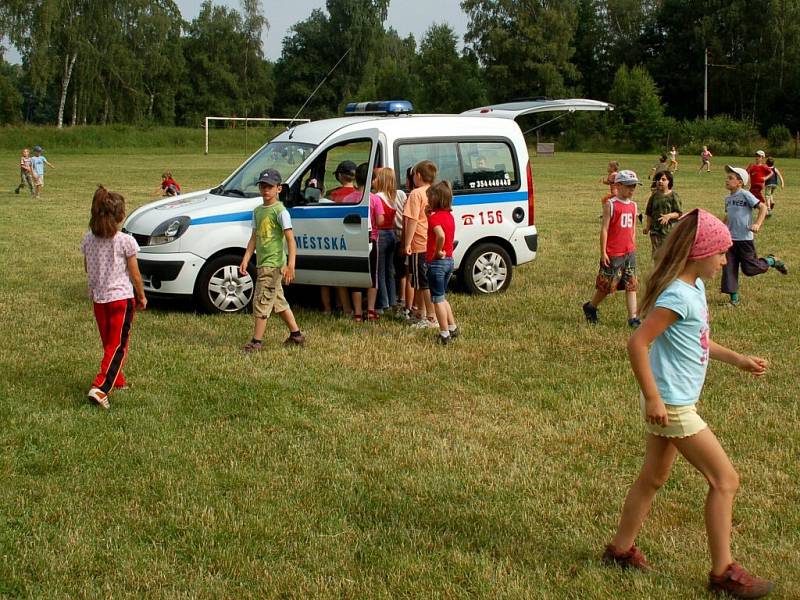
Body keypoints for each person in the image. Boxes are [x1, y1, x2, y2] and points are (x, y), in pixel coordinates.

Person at [603, 209, 775, 599]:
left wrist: (739, 359)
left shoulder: (693, 289)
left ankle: (620, 550)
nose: (724, 261)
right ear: (700, 254)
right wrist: (653, 397)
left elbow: (698, 341)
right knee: (725, 480)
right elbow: (638, 343)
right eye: (720, 254)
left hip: (673, 404)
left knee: (653, 478)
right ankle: (723, 573)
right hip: (674, 407)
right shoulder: (678, 294)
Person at [80, 186, 147, 409]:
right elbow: (135, 274)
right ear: (119, 216)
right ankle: (101, 387)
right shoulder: (125, 241)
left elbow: (87, 267)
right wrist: (141, 296)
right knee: (118, 345)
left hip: (99, 299)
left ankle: (117, 379)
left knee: (109, 343)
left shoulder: (88, 239)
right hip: (121, 299)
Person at [239, 168, 305, 350]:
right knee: (277, 301)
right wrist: (246, 258)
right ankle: (296, 335)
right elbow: (254, 237)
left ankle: (256, 342)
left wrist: (290, 265)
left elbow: (291, 240)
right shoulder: (258, 211)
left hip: (273, 264)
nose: (266, 190)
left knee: (261, 300)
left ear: (279, 189)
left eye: (270, 187)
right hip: (262, 262)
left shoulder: (280, 211)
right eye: (263, 186)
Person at [720, 165, 787, 307]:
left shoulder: (745, 194)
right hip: (730, 240)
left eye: (730, 178)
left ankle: (771, 260)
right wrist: (721, 227)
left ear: (740, 182)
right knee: (729, 268)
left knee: (750, 269)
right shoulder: (727, 198)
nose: (727, 180)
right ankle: (734, 300)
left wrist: (757, 224)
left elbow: (762, 207)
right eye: (727, 177)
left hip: (745, 239)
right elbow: (729, 215)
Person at [582, 170, 641, 328]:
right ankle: (591, 306)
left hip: (629, 252)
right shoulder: (611, 205)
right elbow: (605, 229)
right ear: (618, 185)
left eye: (634, 187)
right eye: (629, 186)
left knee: (631, 284)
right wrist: (603, 252)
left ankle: (633, 318)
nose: (632, 190)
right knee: (606, 286)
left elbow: (633, 229)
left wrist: (632, 246)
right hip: (614, 253)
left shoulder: (634, 206)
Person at [343, 162, 384, 321]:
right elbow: (379, 221)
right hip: (371, 240)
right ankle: (371, 310)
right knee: (372, 276)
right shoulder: (374, 199)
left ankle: (358, 312)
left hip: (353, 241)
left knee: (356, 276)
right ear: (371, 181)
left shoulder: (348, 198)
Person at [403, 160, 438, 328]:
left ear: (418, 176)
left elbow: (412, 220)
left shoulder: (416, 194)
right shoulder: (435, 192)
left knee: (422, 282)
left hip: (419, 242)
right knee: (419, 281)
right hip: (430, 241)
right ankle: (420, 312)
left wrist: (407, 243)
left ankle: (430, 317)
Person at [425, 181, 460, 345]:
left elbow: (440, 235)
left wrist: (437, 251)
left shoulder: (434, 219)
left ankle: (444, 333)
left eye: (429, 198)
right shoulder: (449, 216)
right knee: (442, 296)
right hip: (449, 261)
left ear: (435, 200)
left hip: (437, 263)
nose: (427, 201)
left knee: (437, 300)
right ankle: (452, 327)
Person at [372, 167, 404, 314]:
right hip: (391, 234)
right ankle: (392, 300)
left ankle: (382, 303)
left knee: (379, 271)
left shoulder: (377, 197)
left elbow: (379, 219)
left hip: (381, 234)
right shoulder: (392, 196)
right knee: (390, 270)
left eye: (376, 177)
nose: (374, 180)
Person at [643, 170, 682, 257]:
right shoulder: (654, 196)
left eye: (663, 179)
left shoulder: (673, 196)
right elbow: (649, 213)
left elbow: (679, 213)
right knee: (657, 255)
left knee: (668, 254)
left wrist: (669, 216)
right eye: (658, 179)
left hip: (669, 231)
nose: (660, 181)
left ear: (669, 182)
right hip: (655, 231)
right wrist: (647, 227)